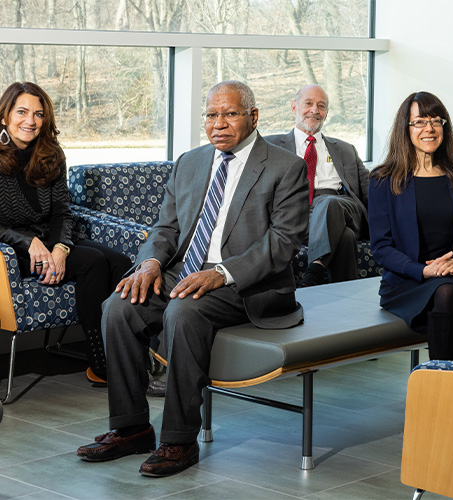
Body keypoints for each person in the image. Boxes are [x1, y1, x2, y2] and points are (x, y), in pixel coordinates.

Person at [76, 81, 308, 477]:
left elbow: (285, 242)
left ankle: (179, 439)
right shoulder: (190, 162)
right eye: (211, 115)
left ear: (253, 117)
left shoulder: (286, 166)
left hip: (245, 285)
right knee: (118, 307)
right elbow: (165, 228)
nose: (218, 124)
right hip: (182, 273)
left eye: (230, 114)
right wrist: (149, 263)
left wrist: (221, 274)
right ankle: (132, 428)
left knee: (184, 312)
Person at [0, 81, 131, 384]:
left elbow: (62, 210)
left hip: (49, 238)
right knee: (94, 263)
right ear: (5, 116)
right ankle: (102, 366)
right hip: (11, 250)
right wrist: (28, 241)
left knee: (122, 264)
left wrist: (60, 247)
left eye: (38, 114)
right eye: (22, 112)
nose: (30, 121)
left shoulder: (50, 153)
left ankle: (132, 356)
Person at [368, 91, 453, 362]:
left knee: (450, 293)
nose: (429, 128)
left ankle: (443, 394)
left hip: (448, 280)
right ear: (405, 129)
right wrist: (424, 270)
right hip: (404, 284)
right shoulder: (383, 180)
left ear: (444, 127)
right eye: (419, 122)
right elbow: (381, 248)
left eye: (435, 121)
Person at [265, 84, 369, 286]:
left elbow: (369, 190)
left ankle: (316, 268)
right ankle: (345, 301)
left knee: (328, 203)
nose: (315, 110)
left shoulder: (346, 149)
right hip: (298, 214)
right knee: (345, 238)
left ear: (326, 113)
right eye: (309, 103)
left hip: (343, 205)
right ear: (294, 107)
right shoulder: (272, 147)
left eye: (321, 106)